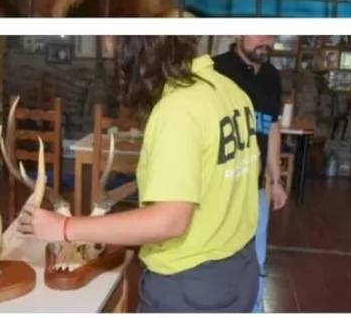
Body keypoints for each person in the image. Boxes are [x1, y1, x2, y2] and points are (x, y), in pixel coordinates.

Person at [17, 36, 260, 312]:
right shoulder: (230, 90)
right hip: (239, 271)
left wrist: (64, 227)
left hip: (190, 287)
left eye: (116, 53)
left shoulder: (177, 110)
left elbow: (170, 221)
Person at [212, 35, 288, 312]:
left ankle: (254, 310)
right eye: (258, 33)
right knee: (219, 256)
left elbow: (272, 127)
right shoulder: (216, 70)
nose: (265, 41)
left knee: (256, 258)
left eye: (271, 35)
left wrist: (276, 180)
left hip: (255, 188)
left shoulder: (271, 76)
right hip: (220, 187)